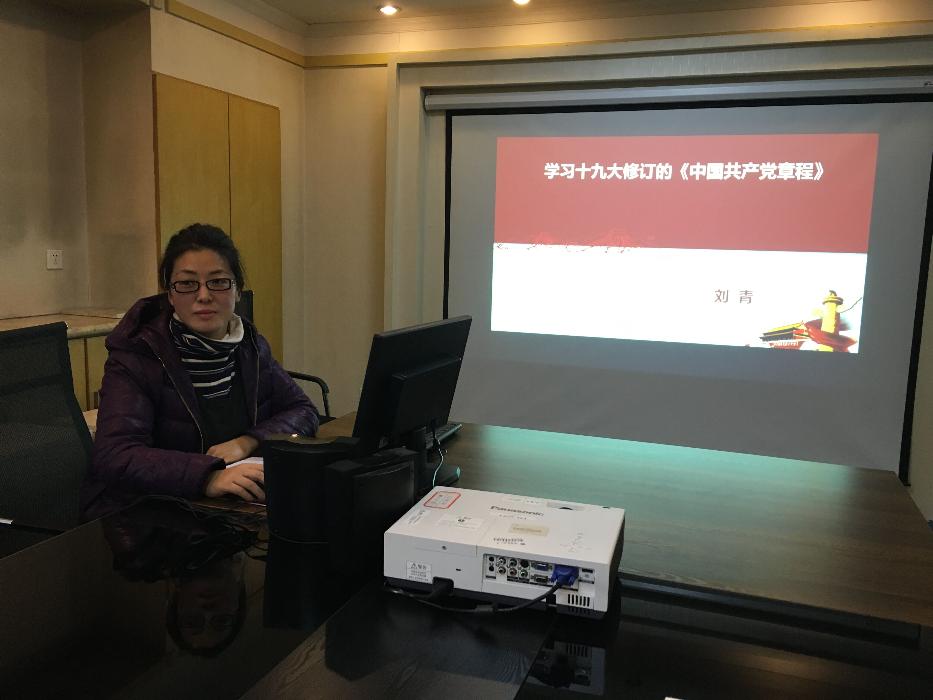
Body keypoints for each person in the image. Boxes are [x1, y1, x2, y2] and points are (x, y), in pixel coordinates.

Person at [81, 224, 318, 519]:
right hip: (151, 517)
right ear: (170, 294)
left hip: (229, 512)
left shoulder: (250, 347)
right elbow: (115, 455)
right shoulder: (137, 356)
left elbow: (303, 410)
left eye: (218, 282)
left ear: (238, 290)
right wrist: (207, 477)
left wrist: (247, 442)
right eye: (187, 283)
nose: (204, 295)